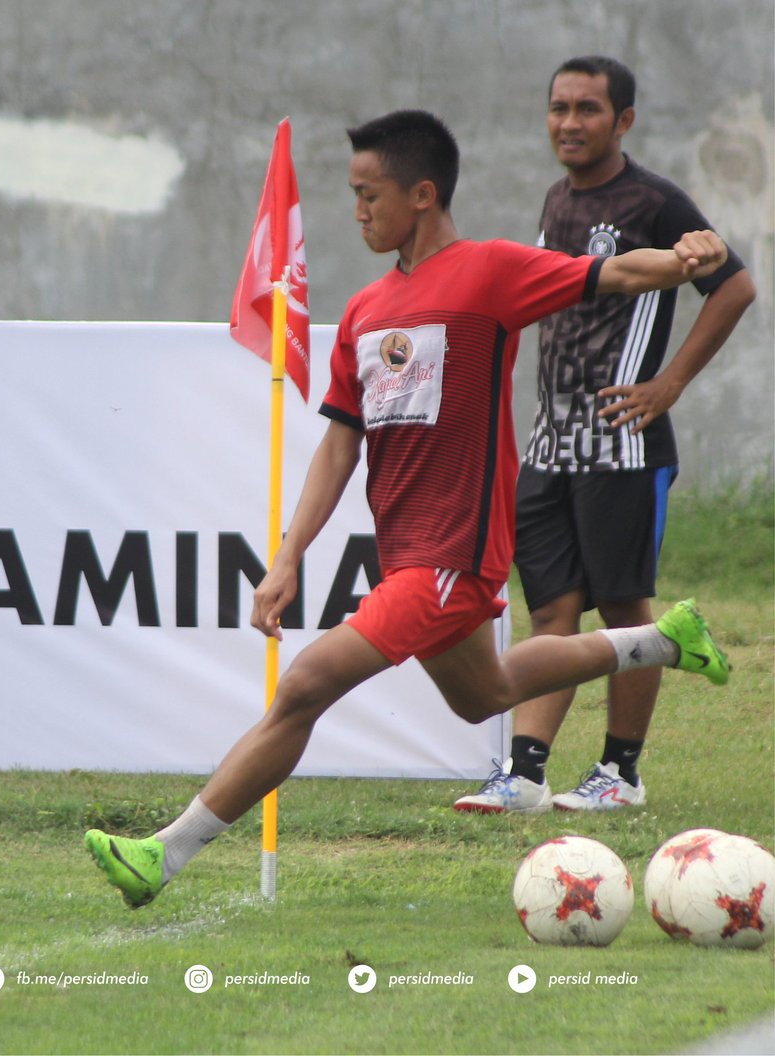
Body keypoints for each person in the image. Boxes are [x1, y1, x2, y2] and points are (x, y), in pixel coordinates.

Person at [84, 109, 730, 909]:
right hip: (406, 557)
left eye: (370, 194)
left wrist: (682, 257)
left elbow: (618, 274)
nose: (357, 211)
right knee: (485, 692)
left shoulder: (490, 271)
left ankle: (162, 854)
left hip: (453, 555)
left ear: (421, 195)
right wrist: (286, 558)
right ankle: (660, 641)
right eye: (352, 194)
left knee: (304, 684)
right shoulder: (363, 311)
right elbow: (337, 448)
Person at [454, 57, 755, 815]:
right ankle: (525, 774)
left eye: (587, 109)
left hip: (621, 445)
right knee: (551, 612)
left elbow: (735, 284)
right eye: (558, 107)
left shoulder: (655, 200)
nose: (568, 123)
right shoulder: (557, 198)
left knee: (624, 612)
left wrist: (669, 383)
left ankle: (621, 774)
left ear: (623, 121)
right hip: (548, 445)